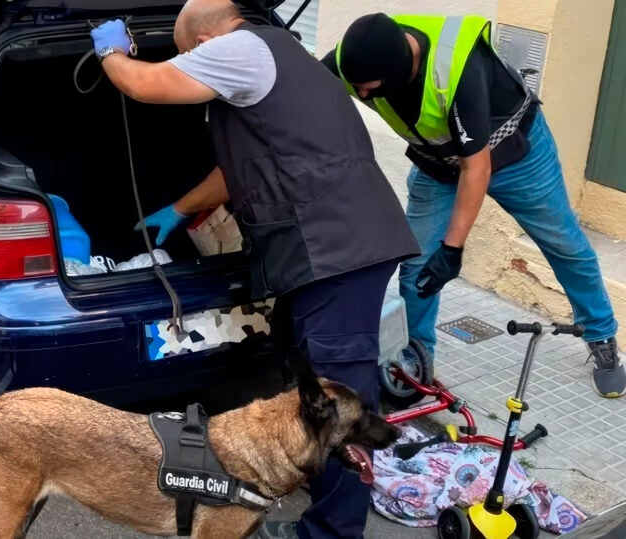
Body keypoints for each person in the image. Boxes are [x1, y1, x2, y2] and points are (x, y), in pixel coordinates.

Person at [90, 1, 420, 537]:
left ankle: (332, 532)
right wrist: (178, 209)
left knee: (339, 396)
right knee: (299, 370)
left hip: (336, 246)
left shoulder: (239, 48)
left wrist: (108, 48)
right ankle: (303, 483)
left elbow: (146, 84)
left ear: (203, 43)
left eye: (188, 57)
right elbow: (245, 165)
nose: (194, 66)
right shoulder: (281, 51)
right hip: (330, 246)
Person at [321, 13, 626, 398]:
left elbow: (476, 169)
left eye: (368, 88)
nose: (362, 95)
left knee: (564, 244)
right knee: (417, 262)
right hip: (437, 162)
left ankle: (601, 336)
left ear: (401, 68)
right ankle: (415, 362)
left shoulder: (458, 71)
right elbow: (301, 86)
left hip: (516, 157)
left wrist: (452, 249)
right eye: (357, 87)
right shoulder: (360, 58)